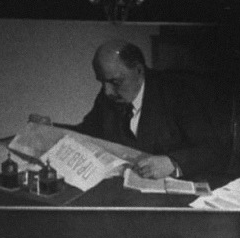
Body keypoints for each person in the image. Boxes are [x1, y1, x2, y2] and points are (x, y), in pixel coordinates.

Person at [70, 39, 231, 183]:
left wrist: (173, 163)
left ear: (139, 71)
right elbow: (87, 133)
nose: (107, 91)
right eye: (102, 82)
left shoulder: (177, 91)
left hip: (175, 191)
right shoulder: (108, 97)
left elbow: (213, 149)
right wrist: (51, 126)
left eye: (115, 82)